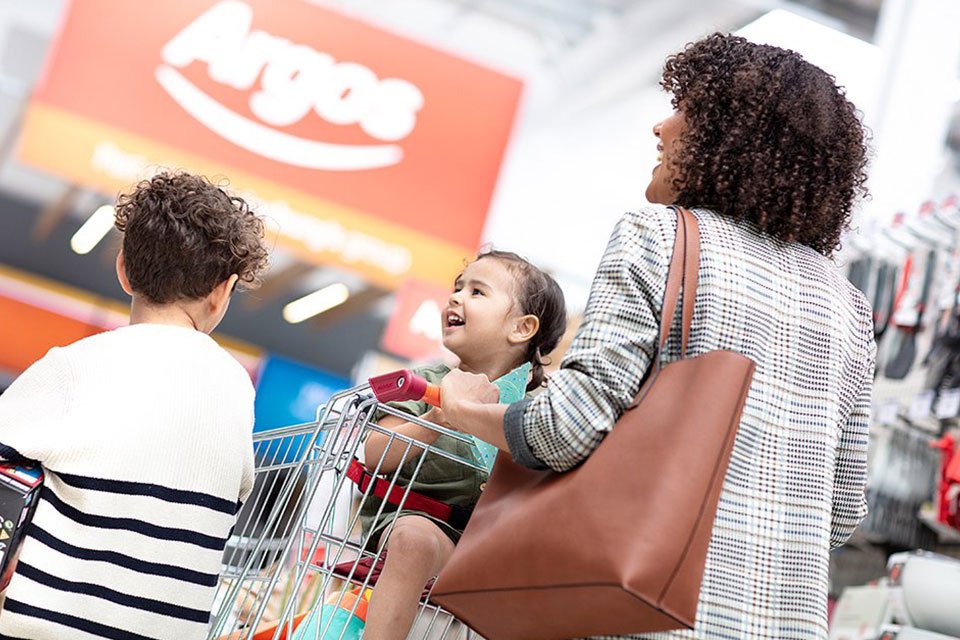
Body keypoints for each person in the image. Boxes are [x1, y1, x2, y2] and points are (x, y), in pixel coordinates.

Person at [438, 33, 874, 639]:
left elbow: (565, 430)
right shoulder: (849, 307)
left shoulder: (660, 236)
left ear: (725, 137)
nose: (660, 128)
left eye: (683, 110)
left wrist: (463, 408)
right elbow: (842, 511)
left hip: (641, 611)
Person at [0, 171, 270, 639]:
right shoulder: (236, 388)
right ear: (222, 291)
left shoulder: (73, 366)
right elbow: (234, 494)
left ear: (124, 269)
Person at [360, 250, 567, 640]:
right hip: (417, 524)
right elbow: (375, 454)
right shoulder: (423, 382)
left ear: (522, 328)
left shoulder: (532, 413)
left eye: (477, 292)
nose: (455, 297)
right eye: (458, 288)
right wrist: (439, 417)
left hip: (489, 547)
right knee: (414, 541)